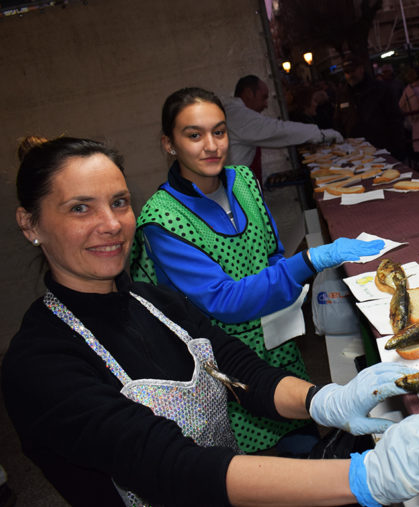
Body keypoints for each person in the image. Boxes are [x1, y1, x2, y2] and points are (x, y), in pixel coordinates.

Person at [3, 135, 419, 507]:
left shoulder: (155, 303)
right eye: (79, 208)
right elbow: (170, 467)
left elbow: (243, 372)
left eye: (119, 202)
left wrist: (326, 401)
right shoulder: (41, 361)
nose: (110, 224)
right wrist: (364, 478)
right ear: (31, 225)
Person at [130, 87, 384, 454]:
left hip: (277, 345)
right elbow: (224, 300)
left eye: (219, 131)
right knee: (272, 468)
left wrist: (287, 293)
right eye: (194, 135)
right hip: (227, 370)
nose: (211, 145)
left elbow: (272, 253)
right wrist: (308, 262)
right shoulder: (162, 220)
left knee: (306, 442)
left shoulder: (244, 181)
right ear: (169, 144)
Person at [222, 75, 343, 184]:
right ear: (248, 93)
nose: (266, 105)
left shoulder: (233, 113)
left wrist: (266, 178)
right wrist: (321, 134)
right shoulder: (237, 114)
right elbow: (277, 130)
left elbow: (242, 154)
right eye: (263, 98)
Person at [334, 55, 407, 159]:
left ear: (361, 69)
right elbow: (338, 121)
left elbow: (395, 119)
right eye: (347, 72)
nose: (350, 75)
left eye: (353, 71)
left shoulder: (380, 89)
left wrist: (397, 148)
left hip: (381, 147)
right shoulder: (342, 94)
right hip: (355, 151)